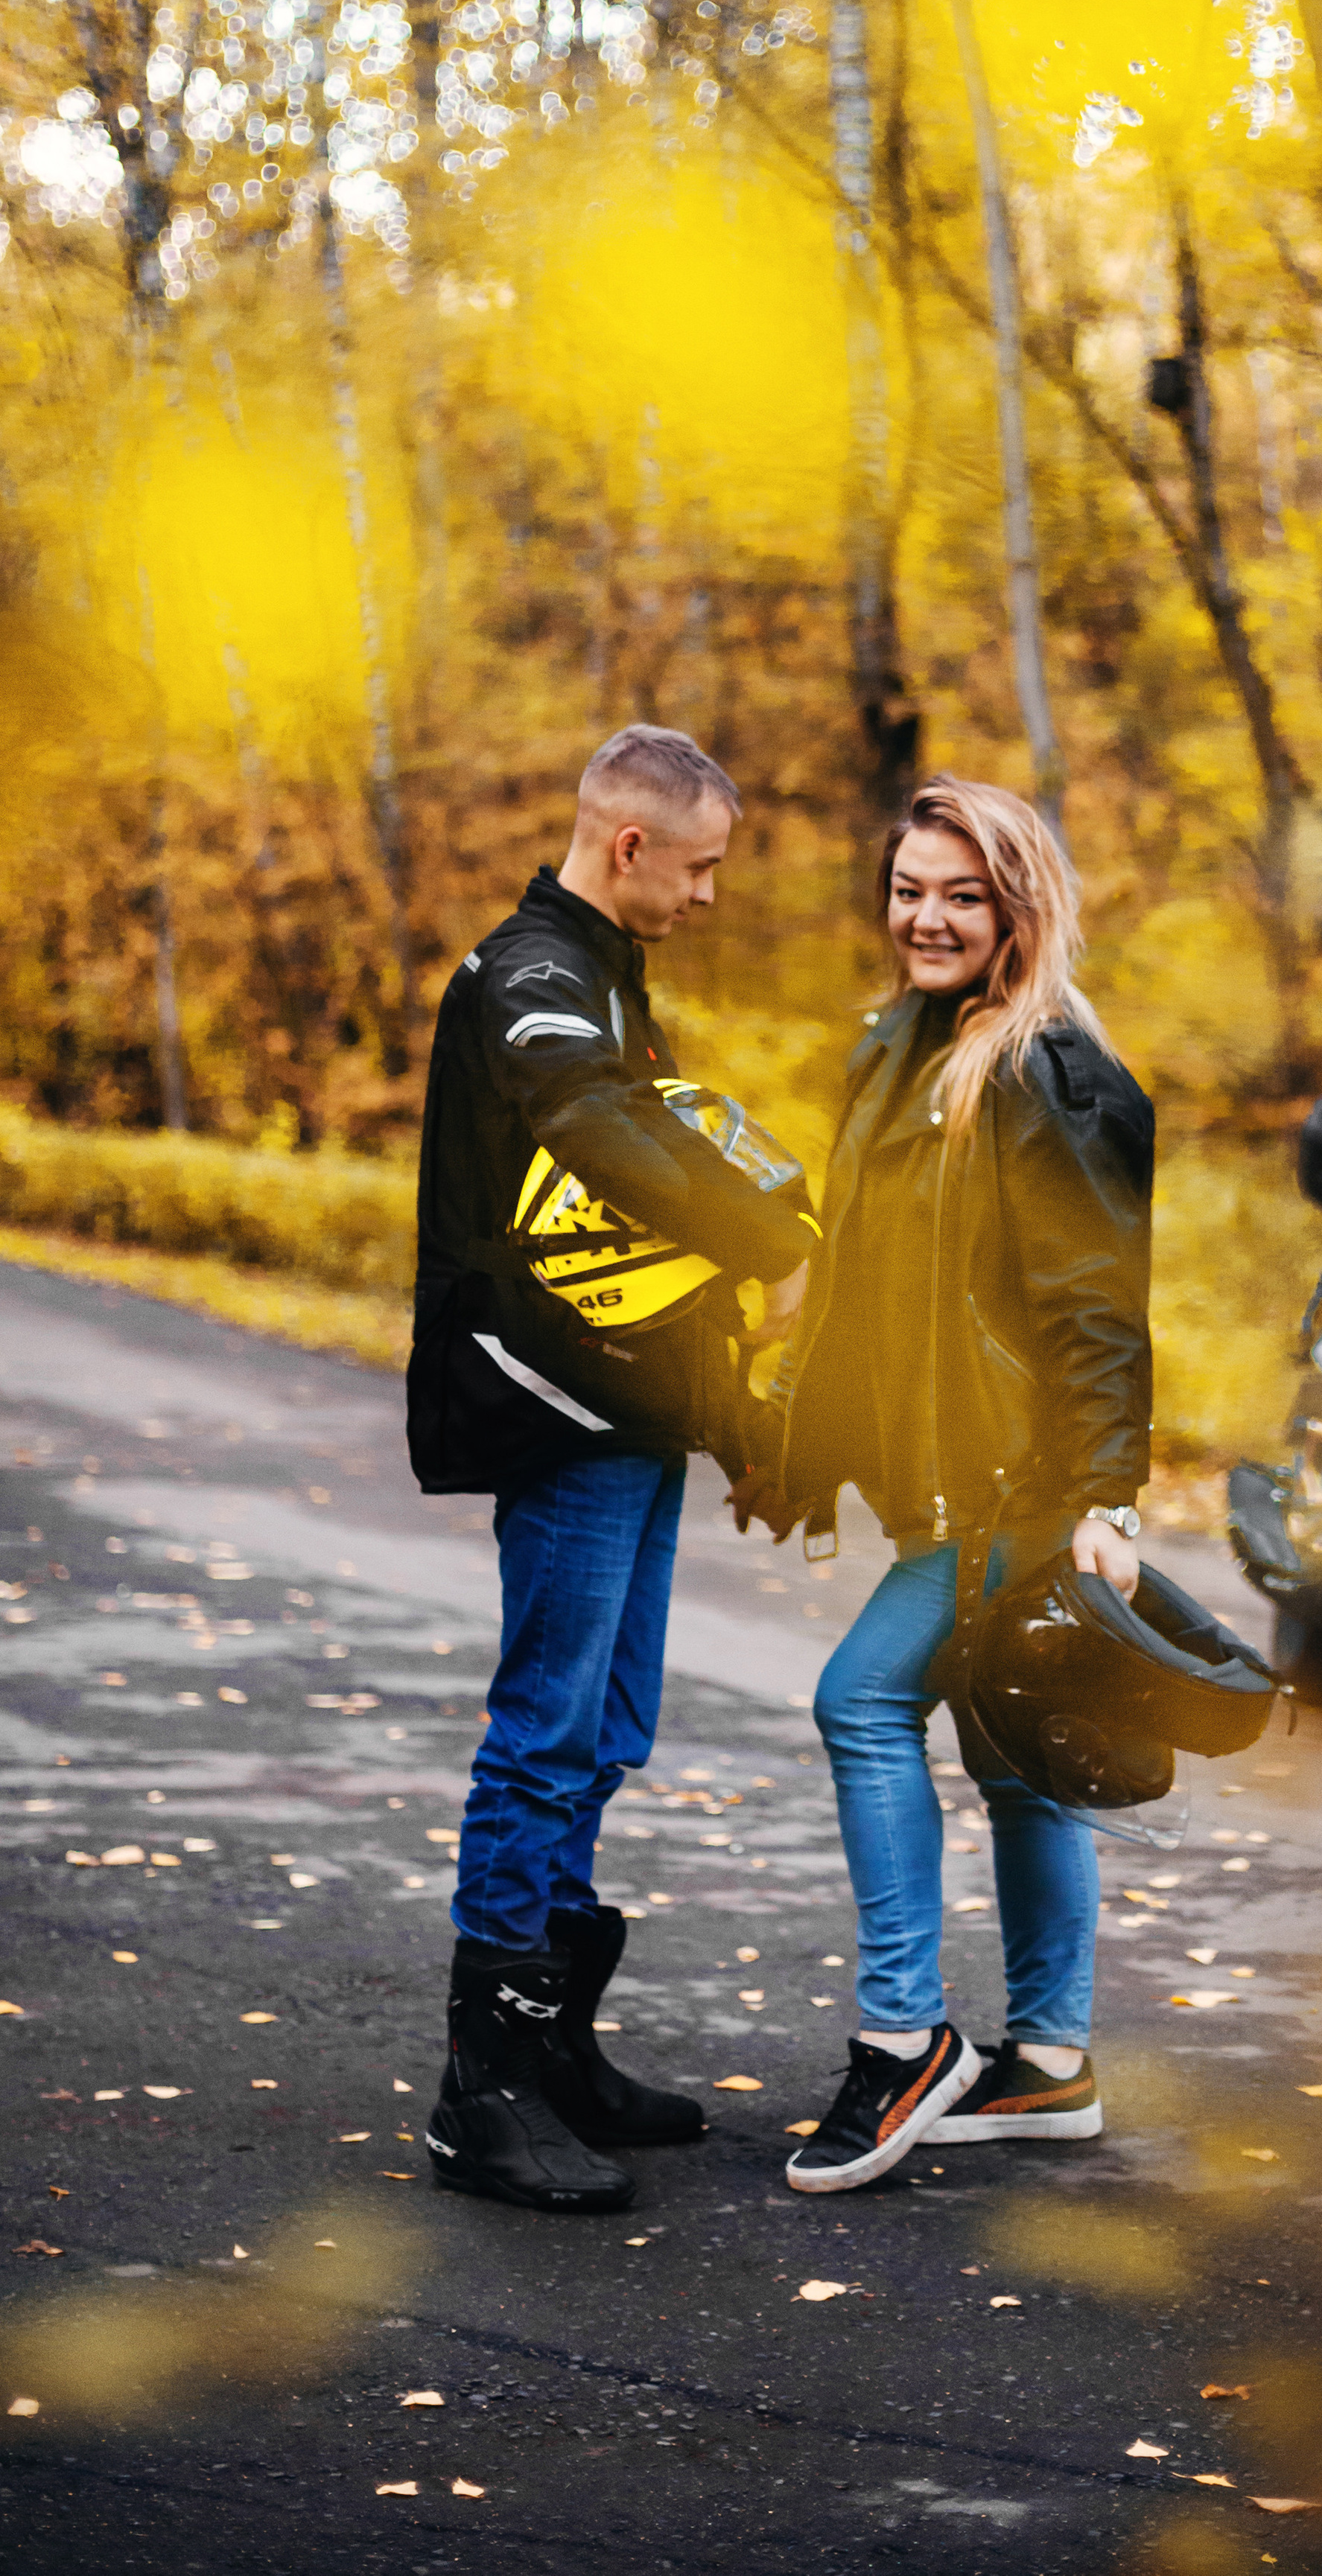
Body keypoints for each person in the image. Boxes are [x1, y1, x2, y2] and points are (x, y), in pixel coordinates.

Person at [408, 724, 816, 2215]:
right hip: (555, 1405)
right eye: (697, 868)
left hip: (627, 1404)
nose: (708, 895)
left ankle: (555, 2047)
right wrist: (766, 1243)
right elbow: (589, 1132)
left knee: (605, 1727)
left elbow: (642, 1214)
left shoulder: (605, 973)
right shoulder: (535, 975)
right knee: (546, 1731)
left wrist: (737, 1408)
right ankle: (484, 2090)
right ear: (628, 845)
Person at [731, 775, 1154, 2195]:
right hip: (943, 1477)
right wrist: (800, 1449)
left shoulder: (1050, 1073)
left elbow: (1098, 1307)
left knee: (860, 1702)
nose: (928, 916)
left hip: (1016, 1482)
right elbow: (863, 1279)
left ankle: (905, 2038)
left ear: (1018, 910)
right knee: (1016, 1760)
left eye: (962, 896)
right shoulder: (895, 1048)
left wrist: (1106, 1500)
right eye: (910, 889)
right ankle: (1050, 2065)